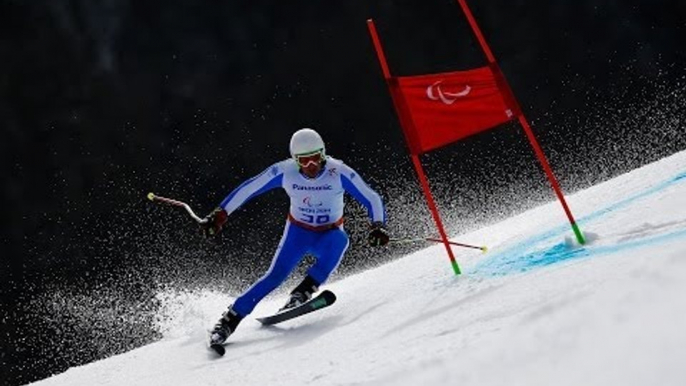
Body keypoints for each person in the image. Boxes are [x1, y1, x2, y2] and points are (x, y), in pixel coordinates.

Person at [201, 128, 389, 346]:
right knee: (275, 276)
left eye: (316, 159)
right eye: (304, 161)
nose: (311, 167)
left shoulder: (338, 172)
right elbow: (250, 188)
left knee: (340, 241)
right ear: (295, 160)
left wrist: (378, 226)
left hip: (328, 233)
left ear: (324, 154)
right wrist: (221, 214)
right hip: (298, 233)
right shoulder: (285, 171)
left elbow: (371, 197)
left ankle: (303, 291)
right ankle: (229, 321)